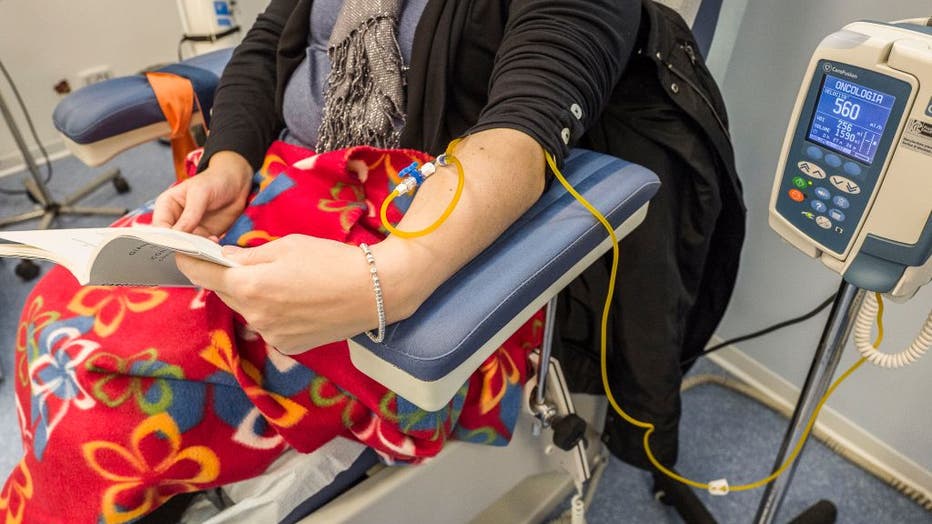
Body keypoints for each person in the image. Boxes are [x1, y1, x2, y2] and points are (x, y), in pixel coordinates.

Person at [3, 0, 744, 522]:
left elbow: (519, 138)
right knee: (57, 310)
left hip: (412, 221)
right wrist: (227, 163)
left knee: (102, 402)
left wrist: (384, 281)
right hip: (284, 186)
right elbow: (269, 46)